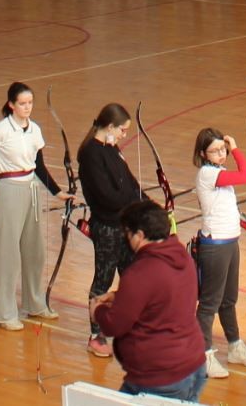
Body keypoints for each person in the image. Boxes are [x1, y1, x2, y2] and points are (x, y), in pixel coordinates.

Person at [0, 82, 74, 331]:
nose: (27, 107)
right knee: (8, 254)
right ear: (11, 105)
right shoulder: (1, 129)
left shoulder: (34, 129)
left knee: (35, 250)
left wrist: (57, 192)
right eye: (22, 104)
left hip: (32, 188)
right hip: (9, 190)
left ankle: (34, 304)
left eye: (30, 103)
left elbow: (39, 166)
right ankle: (4, 314)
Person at [90, 200, 206, 401]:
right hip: (193, 364)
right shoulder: (182, 256)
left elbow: (114, 324)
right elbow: (163, 295)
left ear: (140, 235)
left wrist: (97, 311)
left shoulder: (140, 272)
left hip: (159, 376)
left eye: (128, 232)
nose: (126, 237)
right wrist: (120, 296)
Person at [192, 126, 246, 378]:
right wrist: (235, 148)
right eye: (215, 151)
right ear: (203, 154)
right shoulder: (207, 174)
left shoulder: (221, 174)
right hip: (214, 247)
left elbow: (233, 212)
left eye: (223, 149)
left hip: (229, 243)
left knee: (228, 300)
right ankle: (203, 357)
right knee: (209, 304)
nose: (221, 154)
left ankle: (235, 346)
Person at [77, 102, 143, 357]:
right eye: (122, 130)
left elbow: (129, 183)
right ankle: (96, 335)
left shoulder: (111, 148)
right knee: (103, 280)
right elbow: (107, 196)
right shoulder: (91, 154)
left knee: (132, 276)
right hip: (106, 227)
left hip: (125, 225)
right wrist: (133, 203)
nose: (124, 135)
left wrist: (149, 206)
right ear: (110, 126)